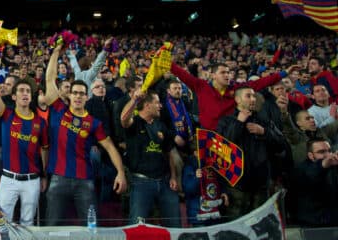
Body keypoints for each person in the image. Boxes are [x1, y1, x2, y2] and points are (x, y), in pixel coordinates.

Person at [44, 44, 127, 226]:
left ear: (87, 97)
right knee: (51, 227)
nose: (78, 97)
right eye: (75, 93)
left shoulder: (93, 123)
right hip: (58, 178)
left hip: (85, 181)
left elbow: (110, 148)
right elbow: (49, 79)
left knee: (91, 229)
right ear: (70, 95)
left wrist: (120, 173)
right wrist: (56, 52)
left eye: (82, 94)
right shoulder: (59, 110)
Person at [0, 52, 48, 226]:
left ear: (31, 96)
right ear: (13, 97)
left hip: (32, 180)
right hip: (8, 179)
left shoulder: (40, 122)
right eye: (21, 90)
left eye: (28, 91)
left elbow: (44, 149)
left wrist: (44, 176)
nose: (25, 93)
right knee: (2, 223)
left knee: (27, 223)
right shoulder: (6, 115)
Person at [216, 86, 285, 220]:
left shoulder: (264, 121)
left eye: (254, 96)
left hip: (261, 184)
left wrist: (264, 132)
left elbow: (281, 145)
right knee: (235, 227)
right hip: (236, 186)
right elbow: (223, 148)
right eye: (248, 96)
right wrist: (239, 122)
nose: (253, 99)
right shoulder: (226, 121)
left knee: (259, 225)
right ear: (237, 99)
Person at [170, 60, 298, 130]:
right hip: (208, 134)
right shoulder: (201, 86)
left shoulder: (236, 88)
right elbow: (182, 74)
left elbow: (260, 83)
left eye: (228, 72)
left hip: (229, 134)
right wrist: (167, 63)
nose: (227, 75)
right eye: (223, 72)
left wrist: (284, 73)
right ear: (213, 75)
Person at [120, 89, 181, 227]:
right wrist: (135, 100)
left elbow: (169, 152)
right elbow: (123, 119)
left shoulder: (161, 125)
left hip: (165, 182)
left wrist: (173, 176)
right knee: (137, 226)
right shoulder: (134, 123)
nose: (160, 106)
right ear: (147, 105)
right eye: (157, 103)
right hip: (141, 182)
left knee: (175, 225)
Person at [292, 138, 338, 226]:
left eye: (329, 151)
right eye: (321, 152)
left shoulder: (333, 166)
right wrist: (324, 164)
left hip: (333, 220)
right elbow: (311, 174)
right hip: (312, 224)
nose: (328, 154)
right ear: (310, 155)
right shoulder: (301, 169)